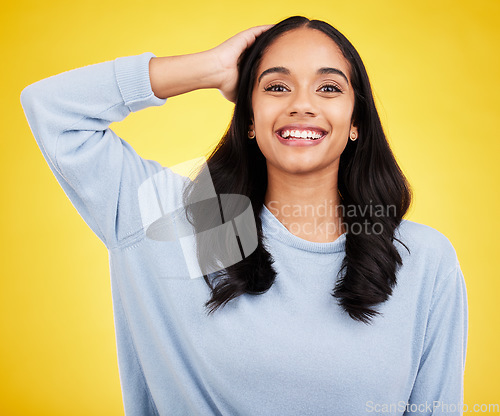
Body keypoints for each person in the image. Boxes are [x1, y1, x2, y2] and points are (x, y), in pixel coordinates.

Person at [21, 15, 468, 416]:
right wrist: (210, 68)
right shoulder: (166, 223)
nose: (302, 103)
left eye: (329, 87)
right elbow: (53, 110)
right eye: (276, 86)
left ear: (357, 122)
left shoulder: (426, 261)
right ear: (249, 119)